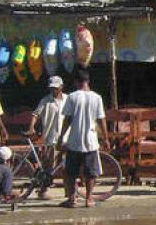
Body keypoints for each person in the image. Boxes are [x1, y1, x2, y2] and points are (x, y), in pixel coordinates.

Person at [60, 66, 107, 208]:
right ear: (88, 81)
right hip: (91, 141)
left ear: (76, 82)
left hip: (74, 141)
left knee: (70, 173)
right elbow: (101, 119)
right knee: (90, 173)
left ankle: (72, 199)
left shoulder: (72, 97)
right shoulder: (97, 97)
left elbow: (67, 119)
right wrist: (106, 137)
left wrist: (61, 137)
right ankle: (89, 199)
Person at [28, 75, 67, 197]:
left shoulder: (68, 99)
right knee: (49, 166)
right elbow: (35, 114)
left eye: (56, 88)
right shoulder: (45, 100)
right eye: (51, 88)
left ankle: (69, 191)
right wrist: (31, 127)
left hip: (66, 138)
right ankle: (43, 190)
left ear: (61, 87)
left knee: (67, 166)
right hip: (51, 138)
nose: (53, 90)